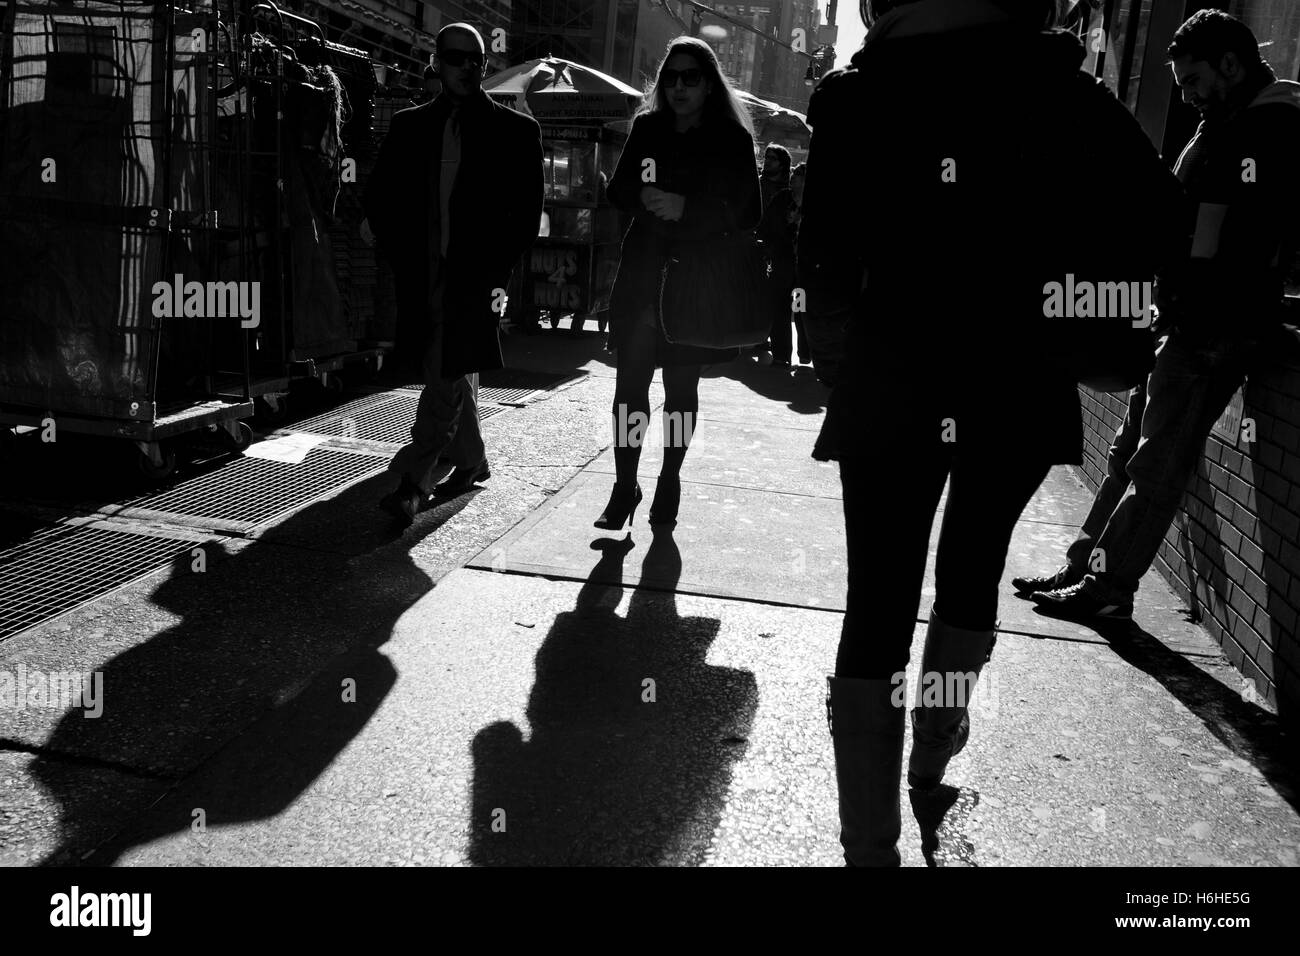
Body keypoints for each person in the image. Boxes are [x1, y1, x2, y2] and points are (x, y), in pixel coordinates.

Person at [800, 0, 1185, 865]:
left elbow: (818, 255)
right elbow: (1162, 217)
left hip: (893, 373)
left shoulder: (860, 96)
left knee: (878, 603)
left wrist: (842, 364)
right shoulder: (1061, 89)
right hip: (1016, 373)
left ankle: (869, 845)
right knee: (970, 572)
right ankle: (934, 746)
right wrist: (1077, 293)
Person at [1017, 8, 1300, 620]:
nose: (1189, 97)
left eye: (1195, 81)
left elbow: (1234, 238)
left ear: (1232, 64)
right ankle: (1087, 565)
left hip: (1213, 324)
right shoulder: (1227, 122)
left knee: (1156, 462)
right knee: (1130, 452)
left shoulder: (1268, 128)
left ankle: (1108, 588)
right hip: (1183, 315)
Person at [362, 23, 543, 525]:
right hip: (422, 277)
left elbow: (526, 218)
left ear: (484, 65)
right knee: (452, 364)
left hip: (476, 282)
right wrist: (403, 257)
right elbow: (379, 200)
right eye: (455, 58)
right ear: (437, 62)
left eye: (474, 59)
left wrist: (494, 272)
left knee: (444, 368)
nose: (465, 67)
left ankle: (413, 481)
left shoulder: (516, 132)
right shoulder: (409, 126)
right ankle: (472, 458)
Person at [599, 37, 761, 529]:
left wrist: (688, 208)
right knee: (629, 388)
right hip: (641, 277)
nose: (679, 86)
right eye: (671, 77)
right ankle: (625, 485)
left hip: (694, 285)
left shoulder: (732, 139)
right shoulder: (648, 129)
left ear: (710, 83)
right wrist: (643, 192)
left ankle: (669, 478)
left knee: (680, 389)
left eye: (691, 77)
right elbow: (619, 189)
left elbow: (748, 212)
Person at [757, 144, 805, 367]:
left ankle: (804, 351)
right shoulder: (781, 199)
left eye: (799, 176)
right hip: (781, 262)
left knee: (799, 308)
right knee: (780, 309)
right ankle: (781, 354)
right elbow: (767, 225)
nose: (794, 178)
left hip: (802, 267)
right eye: (794, 174)